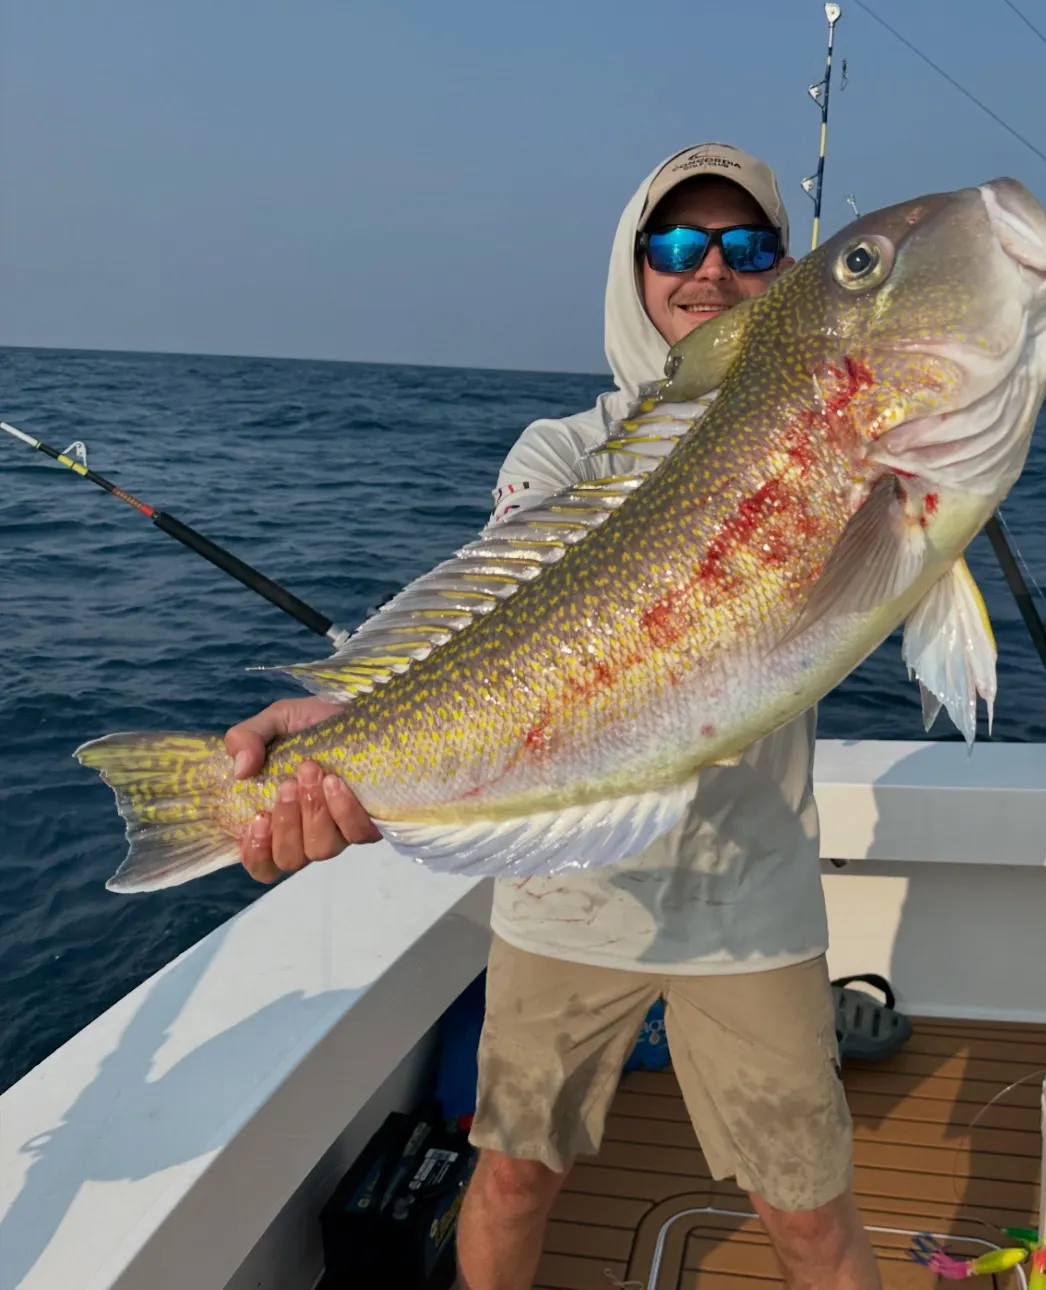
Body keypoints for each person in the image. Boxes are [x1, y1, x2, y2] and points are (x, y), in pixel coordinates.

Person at [224, 143, 881, 1290]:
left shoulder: (839, 436)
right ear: (634, 266)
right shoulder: (565, 453)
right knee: (513, 1178)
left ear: (784, 274)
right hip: (567, 894)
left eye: (746, 245)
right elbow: (501, 621)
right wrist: (351, 717)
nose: (709, 271)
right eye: (676, 244)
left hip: (752, 900)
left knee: (811, 1214)